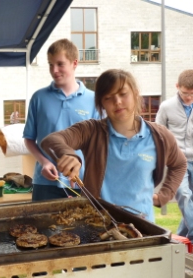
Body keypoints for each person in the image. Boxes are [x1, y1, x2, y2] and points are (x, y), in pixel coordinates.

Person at [41, 69, 187, 222]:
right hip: (97, 225)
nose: (117, 101)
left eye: (123, 94)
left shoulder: (160, 136)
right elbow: (51, 141)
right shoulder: (91, 131)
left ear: (135, 94)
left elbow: (179, 164)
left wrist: (163, 196)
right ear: (102, 103)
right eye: (108, 98)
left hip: (143, 227)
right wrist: (67, 154)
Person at [23, 38, 100, 201]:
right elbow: (29, 139)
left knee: (83, 227)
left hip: (80, 183)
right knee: (41, 227)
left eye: (60, 64)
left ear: (75, 63)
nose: (54, 70)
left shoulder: (94, 101)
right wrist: (43, 162)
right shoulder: (39, 98)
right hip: (44, 183)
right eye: (50, 64)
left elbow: (98, 146)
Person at [156, 69, 193, 239]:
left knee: (190, 204)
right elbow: (158, 133)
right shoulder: (166, 106)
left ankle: (182, 240)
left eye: (192, 94)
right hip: (177, 162)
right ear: (177, 86)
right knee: (184, 195)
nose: (189, 98)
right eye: (185, 93)